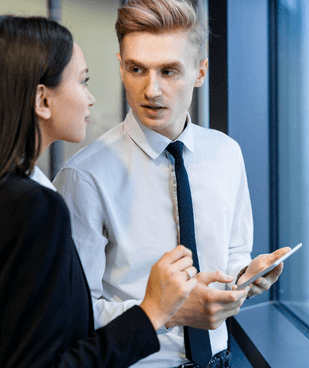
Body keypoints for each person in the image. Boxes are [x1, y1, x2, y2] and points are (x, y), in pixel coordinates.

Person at [54, 1, 289, 367]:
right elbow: (74, 316)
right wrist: (169, 312)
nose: (152, 90)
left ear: (200, 72)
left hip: (220, 360)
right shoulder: (84, 177)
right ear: (120, 67)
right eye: (137, 69)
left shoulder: (226, 154)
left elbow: (233, 257)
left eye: (168, 71)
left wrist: (244, 279)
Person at [0, 15, 200, 368]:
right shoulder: (36, 205)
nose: (91, 98)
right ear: (42, 100)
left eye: (169, 71)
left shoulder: (20, 195)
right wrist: (152, 312)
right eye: (83, 81)